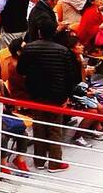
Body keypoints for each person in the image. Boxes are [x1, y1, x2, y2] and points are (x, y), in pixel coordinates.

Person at [14, 29, 81, 171]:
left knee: (39, 127)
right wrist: (67, 96)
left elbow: (21, 70)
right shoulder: (63, 51)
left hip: (36, 95)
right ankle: (55, 163)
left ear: (39, 32)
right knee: (54, 129)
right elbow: (71, 77)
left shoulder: (28, 48)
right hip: (56, 96)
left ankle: (39, 161)